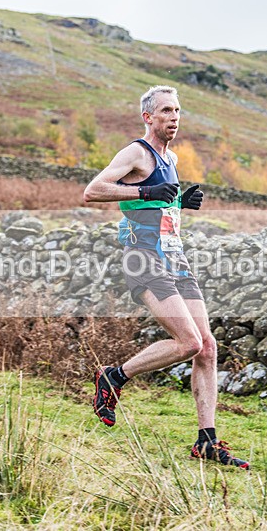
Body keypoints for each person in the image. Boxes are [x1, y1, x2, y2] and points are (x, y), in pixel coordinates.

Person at [83, 85, 250, 470]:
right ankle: (113, 377)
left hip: (174, 257)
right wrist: (147, 190)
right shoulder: (136, 152)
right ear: (148, 117)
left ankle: (206, 442)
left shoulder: (171, 157)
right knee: (188, 342)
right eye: (166, 111)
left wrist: (177, 201)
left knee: (206, 347)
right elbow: (93, 190)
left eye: (177, 111)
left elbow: (159, 205)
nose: (174, 118)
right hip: (144, 258)